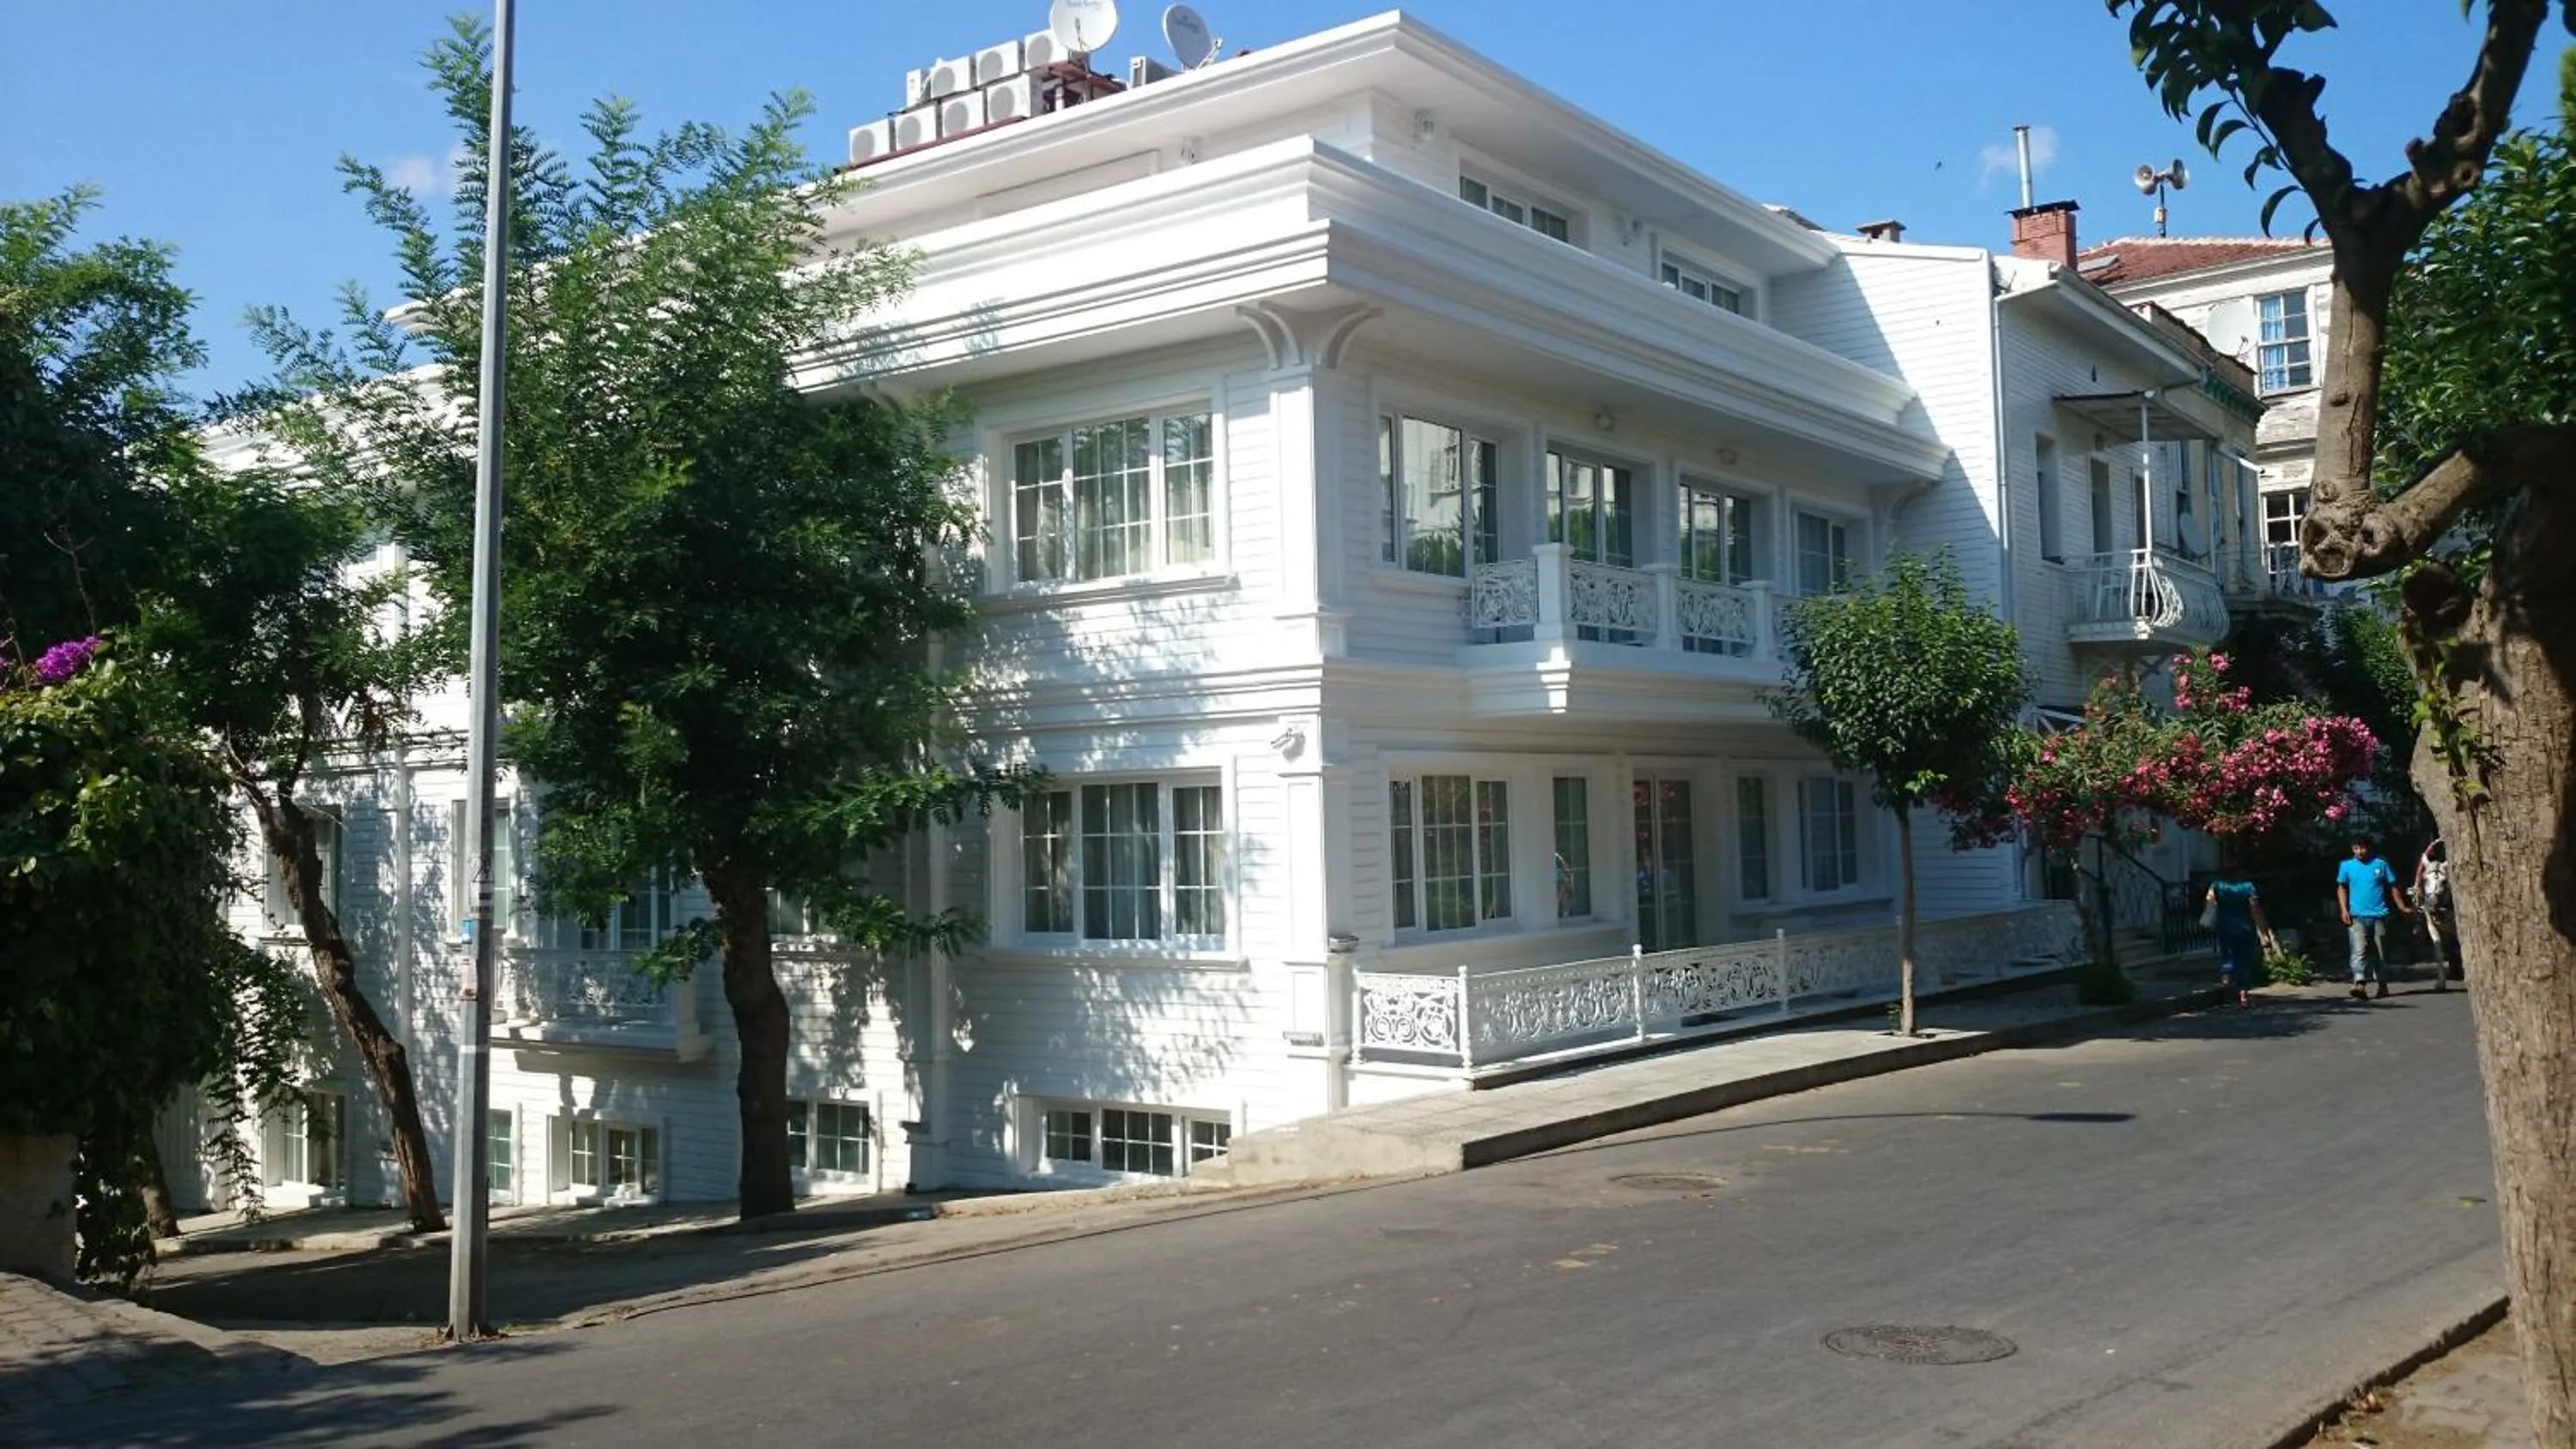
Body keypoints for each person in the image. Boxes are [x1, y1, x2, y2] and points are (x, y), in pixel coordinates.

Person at [2337, 836, 2411, 999]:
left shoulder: (2381, 864)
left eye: (2362, 848)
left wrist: (2401, 906)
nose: (2359, 852)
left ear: (2369, 848)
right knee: (2358, 950)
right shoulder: (2347, 866)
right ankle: (2359, 984)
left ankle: (2382, 984)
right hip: (2356, 915)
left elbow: (2393, 886)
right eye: (2356, 848)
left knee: (2380, 952)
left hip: (2379, 915)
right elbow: (2341, 887)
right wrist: (2344, 910)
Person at [2204, 873, 2272, 1007]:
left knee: (2228, 954)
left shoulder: (2217, 885)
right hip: (2245, 928)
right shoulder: (2248, 887)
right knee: (2245, 960)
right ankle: (2243, 995)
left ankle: (2226, 978)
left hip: (2225, 926)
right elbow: (2255, 909)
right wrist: (2263, 932)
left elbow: (2209, 901)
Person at [2414, 839, 2461, 990]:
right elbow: (2422, 872)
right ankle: (2418, 924)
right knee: (2419, 904)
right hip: (2429, 897)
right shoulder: (2430, 853)